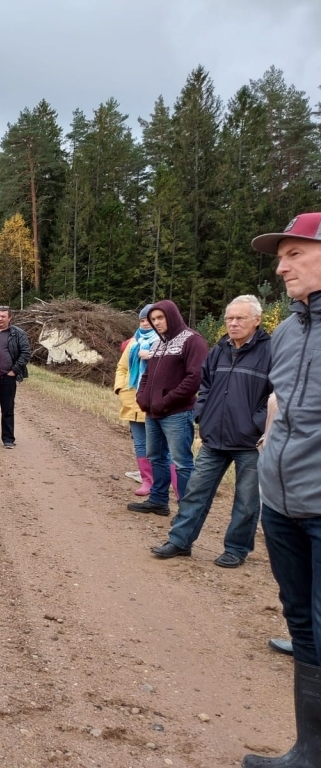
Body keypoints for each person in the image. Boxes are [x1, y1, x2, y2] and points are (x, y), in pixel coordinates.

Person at [241, 212, 321, 767]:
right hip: (282, 505)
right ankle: (309, 751)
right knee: (301, 623)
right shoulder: (290, 328)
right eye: (280, 256)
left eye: (294, 253)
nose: (281, 264)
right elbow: (282, 403)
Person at [150, 295, 271, 567]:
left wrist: (256, 423)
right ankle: (180, 541)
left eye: (240, 318)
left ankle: (236, 549)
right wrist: (202, 413)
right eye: (229, 318)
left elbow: (279, 394)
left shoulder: (271, 351)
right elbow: (204, 386)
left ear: (257, 320)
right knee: (195, 491)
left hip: (251, 442)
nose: (233, 323)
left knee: (246, 500)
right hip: (214, 436)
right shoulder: (220, 350)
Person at [127, 300, 208, 516]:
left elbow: (195, 379)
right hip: (153, 412)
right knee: (156, 457)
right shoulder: (158, 344)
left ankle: (186, 513)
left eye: (160, 317)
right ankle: (159, 500)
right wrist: (142, 398)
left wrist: (166, 401)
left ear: (172, 315)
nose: (156, 322)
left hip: (177, 414)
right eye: (153, 319)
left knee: (181, 462)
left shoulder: (193, 341)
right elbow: (146, 375)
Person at [115, 305, 156, 495]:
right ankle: (146, 480)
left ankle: (166, 480)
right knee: (140, 442)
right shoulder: (133, 343)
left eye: (150, 319)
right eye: (142, 320)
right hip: (132, 399)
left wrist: (152, 356)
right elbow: (122, 368)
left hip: (155, 401)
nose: (146, 323)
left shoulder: (165, 342)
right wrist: (121, 389)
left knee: (159, 444)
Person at [0, 305, 31, 448]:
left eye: (3, 316)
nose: (0, 319)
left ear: (10, 318)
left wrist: (14, 370)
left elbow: (26, 353)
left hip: (7, 377)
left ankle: (8, 439)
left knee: (7, 409)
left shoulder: (18, 334)